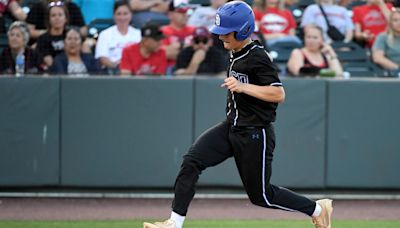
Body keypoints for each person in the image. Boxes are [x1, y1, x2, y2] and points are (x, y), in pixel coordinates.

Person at [143, 2, 333, 228]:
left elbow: (278, 93)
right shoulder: (235, 50)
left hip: (255, 133)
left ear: (243, 30)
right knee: (192, 161)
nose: (221, 37)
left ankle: (318, 209)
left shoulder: (258, 56)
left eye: (226, 33)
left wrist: (244, 87)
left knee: (261, 196)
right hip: (231, 127)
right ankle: (174, 224)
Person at [94, 0, 141, 75]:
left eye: (125, 14)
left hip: (134, 72)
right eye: (119, 14)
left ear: (131, 15)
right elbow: (102, 58)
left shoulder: (138, 34)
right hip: (112, 72)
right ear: (114, 16)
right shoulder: (105, 34)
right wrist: (116, 66)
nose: (122, 17)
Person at [161, 1, 195, 74]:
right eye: (181, 12)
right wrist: (188, 49)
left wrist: (178, 47)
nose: (185, 15)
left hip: (191, 68)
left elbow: (202, 52)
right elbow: (163, 54)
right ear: (170, 14)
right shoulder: (163, 31)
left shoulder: (195, 31)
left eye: (186, 11)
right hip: (169, 70)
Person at [35, 2, 69, 70]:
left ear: (66, 18)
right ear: (49, 20)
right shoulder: (42, 39)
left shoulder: (70, 36)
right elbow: (48, 61)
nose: (57, 18)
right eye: (53, 15)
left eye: (60, 15)